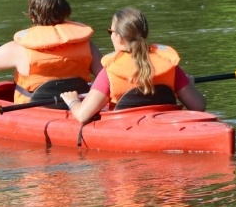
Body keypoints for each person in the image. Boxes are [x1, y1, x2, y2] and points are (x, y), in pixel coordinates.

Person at [61, 7, 206, 123]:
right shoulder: (170, 66)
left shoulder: (110, 72)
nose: (111, 35)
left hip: (125, 130)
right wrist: (188, 85)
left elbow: (82, 115)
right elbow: (198, 106)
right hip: (165, 125)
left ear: (118, 37)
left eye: (110, 31)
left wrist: (72, 100)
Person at [0, 0, 102, 103]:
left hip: (33, 111)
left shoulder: (18, 50)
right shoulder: (86, 45)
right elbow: (106, 77)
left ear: (32, 15)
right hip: (76, 104)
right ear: (65, 12)